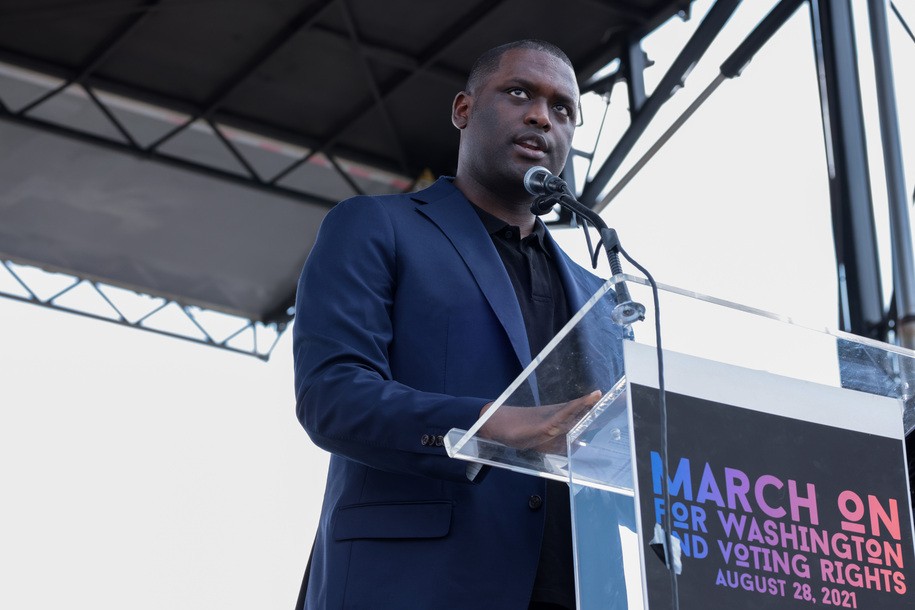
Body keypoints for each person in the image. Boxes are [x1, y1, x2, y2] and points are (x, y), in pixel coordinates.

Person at [293, 39, 626, 610]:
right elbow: (333, 396)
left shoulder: (600, 299)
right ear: (463, 110)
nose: (542, 116)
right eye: (519, 92)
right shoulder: (375, 227)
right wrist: (490, 426)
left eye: (563, 109)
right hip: (414, 583)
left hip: (576, 588)